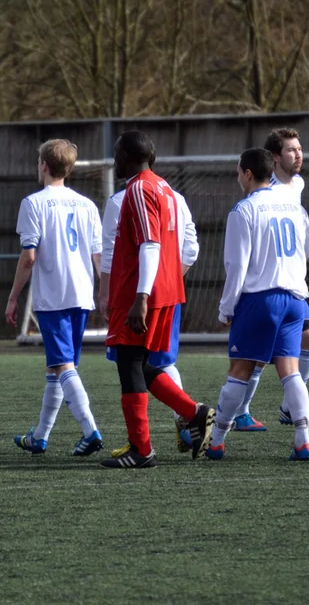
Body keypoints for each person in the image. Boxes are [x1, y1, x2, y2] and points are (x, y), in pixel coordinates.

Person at [101, 130, 215, 469]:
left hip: (141, 292)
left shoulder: (138, 188)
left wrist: (140, 297)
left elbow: (149, 244)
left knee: (128, 365)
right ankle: (194, 413)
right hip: (166, 290)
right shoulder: (166, 188)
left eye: (118, 154)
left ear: (127, 157)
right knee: (143, 364)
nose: (115, 160)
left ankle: (142, 449)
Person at [206, 148, 309, 461]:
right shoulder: (295, 207)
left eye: (238, 171)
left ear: (247, 173)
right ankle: (303, 442)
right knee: (290, 371)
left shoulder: (244, 210)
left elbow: (236, 266)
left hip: (261, 299)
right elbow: (306, 247)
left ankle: (216, 442)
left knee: (239, 370)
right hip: (296, 299)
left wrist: (226, 309)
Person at [5, 139, 104, 456]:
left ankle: (90, 430)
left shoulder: (34, 203)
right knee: (59, 366)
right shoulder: (87, 204)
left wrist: (12, 297)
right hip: (81, 294)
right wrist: (105, 292)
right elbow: (99, 257)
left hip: (54, 296)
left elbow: (29, 257)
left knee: (63, 366)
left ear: (44, 166)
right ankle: (40, 436)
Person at [229, 128, 309, 433]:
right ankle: (240, 412)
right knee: (255, 357)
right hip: (265, 285)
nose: (298, 155)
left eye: (299, 149)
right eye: (290, 150)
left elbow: (304, 237)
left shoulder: (297, 184)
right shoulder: (263, 189)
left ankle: (290, 408)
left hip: (289, 283)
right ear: (274, 158)